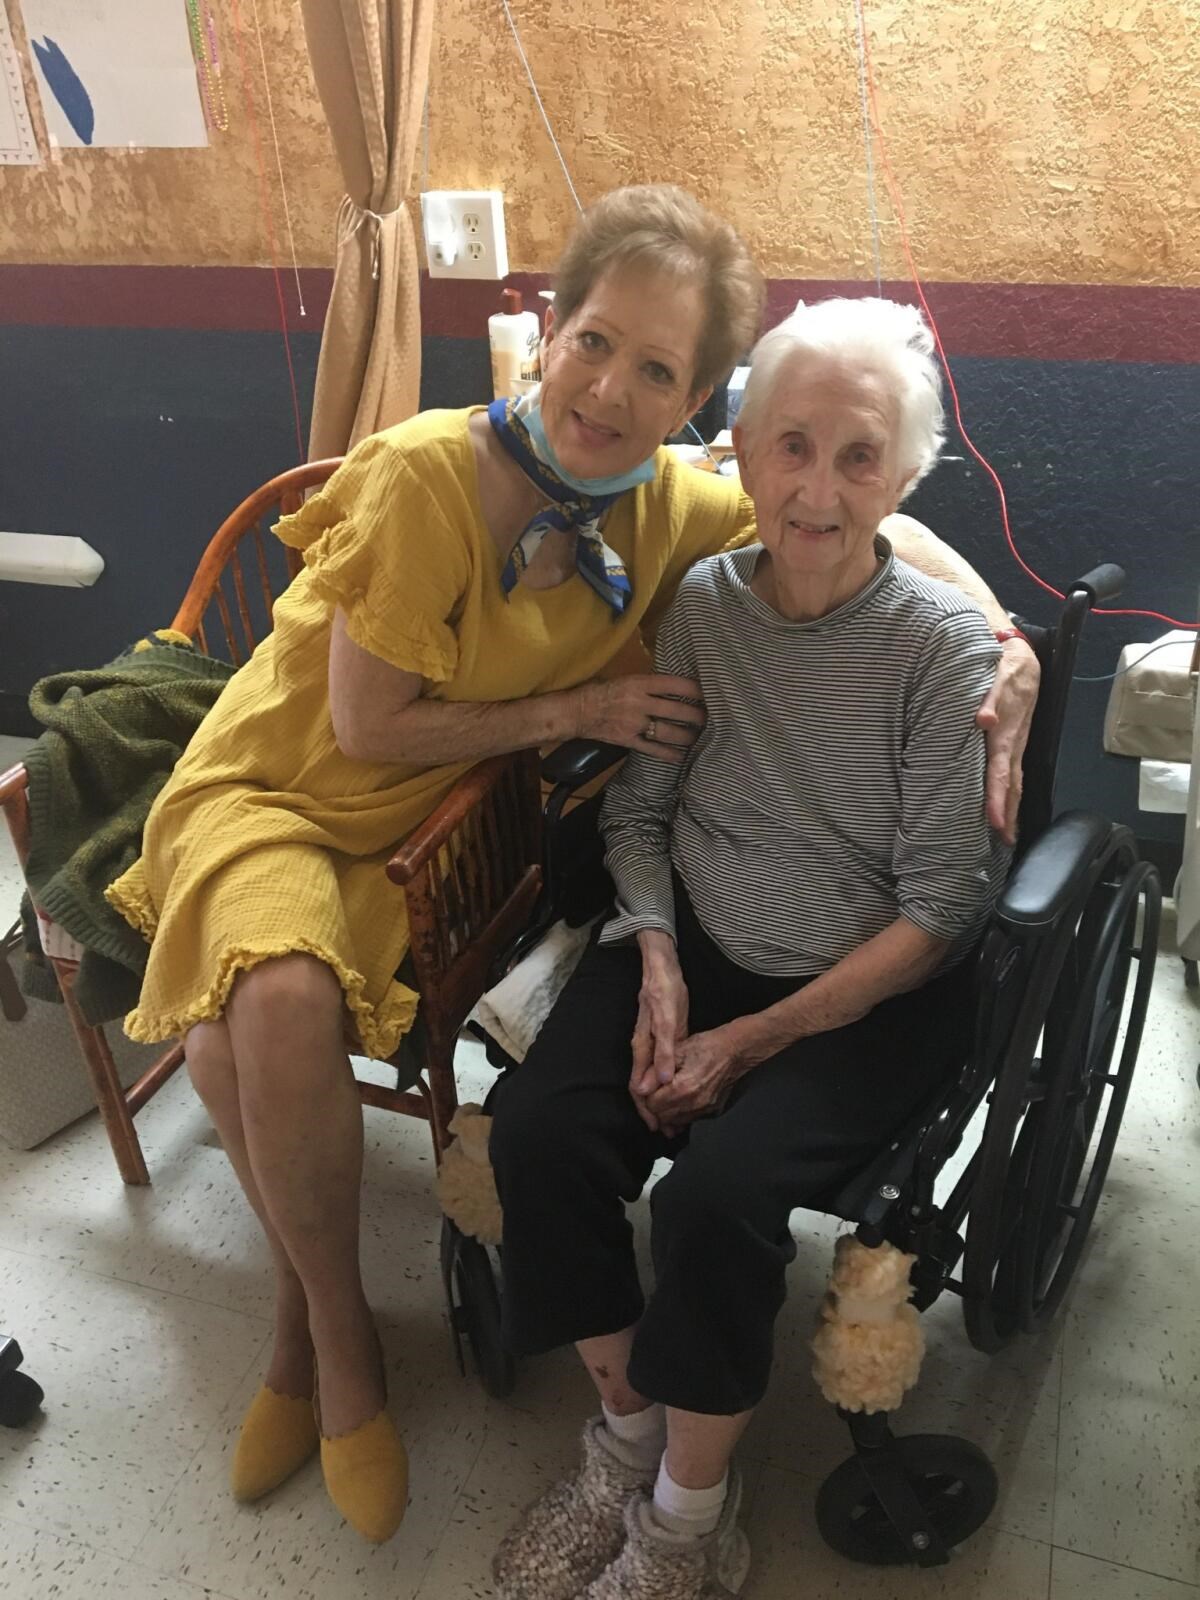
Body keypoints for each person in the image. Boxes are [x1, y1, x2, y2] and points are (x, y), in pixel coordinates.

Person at [106, 188, 1036, 1544]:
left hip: (436, 820)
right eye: (593, 341)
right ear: (549, 328)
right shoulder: (432, 475)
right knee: (280, 1010)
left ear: (694, 402)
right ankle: (330, 1343)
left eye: (656, 368)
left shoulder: (669, 506)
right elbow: (367, 727)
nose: (609, 388)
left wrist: (1005, 643)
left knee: (233, 1042)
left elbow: (867, 509)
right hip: (297, 784)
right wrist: (590, 727)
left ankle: (355, 1343)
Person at [488, 295, 1013, 1600]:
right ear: (745, 449)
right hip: (702, 932)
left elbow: (940, 910)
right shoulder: (707, 605)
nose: (819, 490)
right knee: (538, 1132)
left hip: (869, 986)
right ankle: (625, 1439)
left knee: (713, 1201)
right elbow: (642, 813)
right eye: (792, 445)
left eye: (858, 455)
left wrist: (744, 1044)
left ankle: (687, 1519)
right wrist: (660, 964)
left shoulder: (943, 649)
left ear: (904, 474)